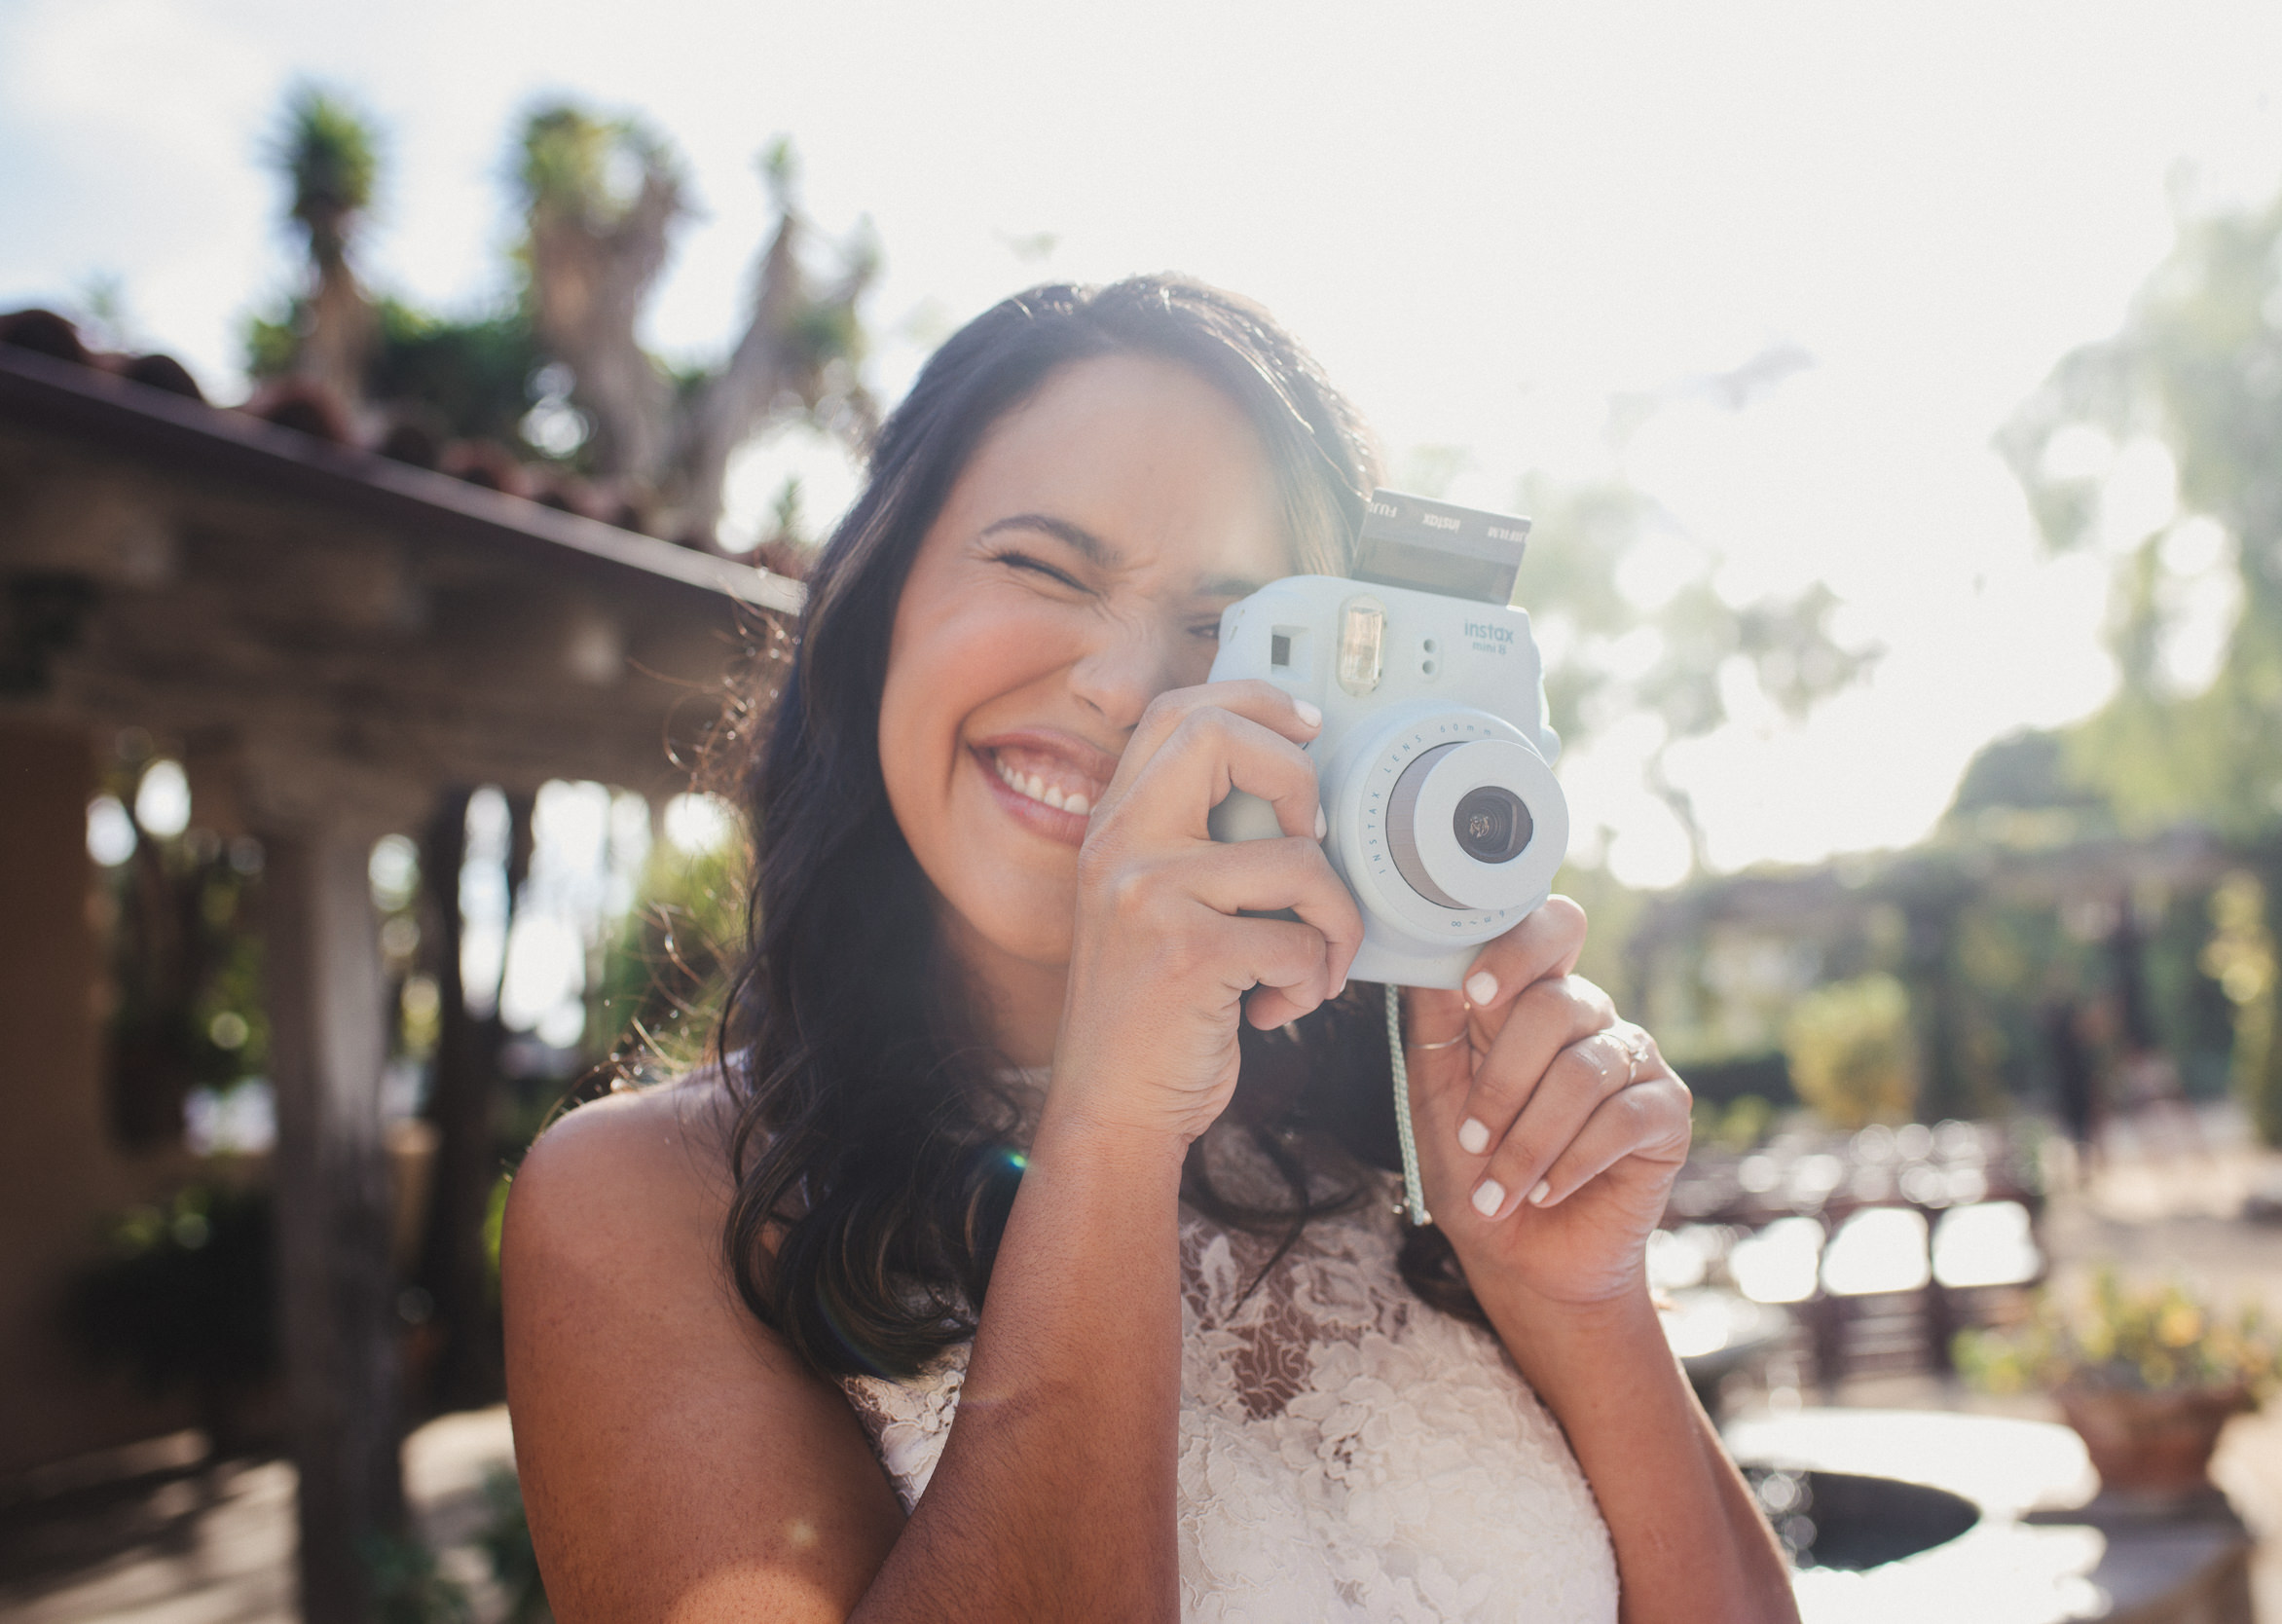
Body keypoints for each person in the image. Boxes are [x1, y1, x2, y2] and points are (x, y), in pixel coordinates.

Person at [502, 277, 1797, 1623]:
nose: (1126, 689)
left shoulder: (1419, 1151)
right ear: (882, 597)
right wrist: (1111, 1124)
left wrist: (1579, 1305)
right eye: (1041, 568)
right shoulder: (646, 1205)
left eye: (1227, 629)